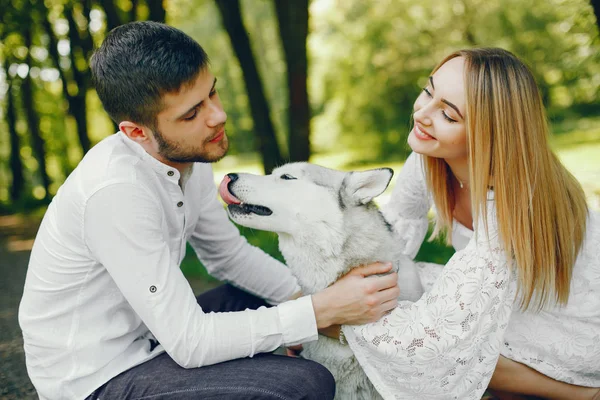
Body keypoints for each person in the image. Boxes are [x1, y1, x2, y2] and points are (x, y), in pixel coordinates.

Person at [17, 21, 401, 400]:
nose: (217, 116)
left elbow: (227, 256)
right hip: (99, 376)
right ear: (137, 132)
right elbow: (189, 342)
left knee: (257, 298)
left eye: (212, 94)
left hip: (149, 334)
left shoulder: (189, 157)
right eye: (191, 114)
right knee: (306, 384)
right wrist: (317, 312)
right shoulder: (117, 193)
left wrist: (318, 301)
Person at [338, 48, 600, 399]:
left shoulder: (512, 202)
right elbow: (395, 234)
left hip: (575, 324)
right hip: (516, 299)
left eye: (448, 114)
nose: (423, 114)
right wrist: (340, 289)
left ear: (490, 133)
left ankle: (579, 393)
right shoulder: (428, 159)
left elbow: (435, 337)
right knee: (405, 295)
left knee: (443, 344)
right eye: (428, 92)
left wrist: (334, 321)